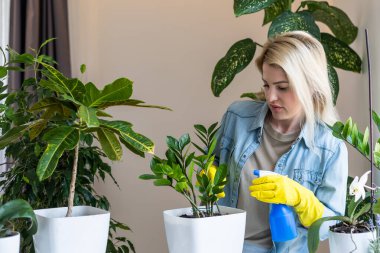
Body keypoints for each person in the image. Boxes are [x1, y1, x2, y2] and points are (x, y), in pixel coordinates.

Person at [214, 31, 348, 252]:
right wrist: (210, 171)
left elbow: (331, 227)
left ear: (311, 85)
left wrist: (303, 199)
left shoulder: (330, 147)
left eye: (283, 87)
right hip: (224, 245)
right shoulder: (237, 117)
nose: (271, 97)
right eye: (266, 85)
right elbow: (216, 162)